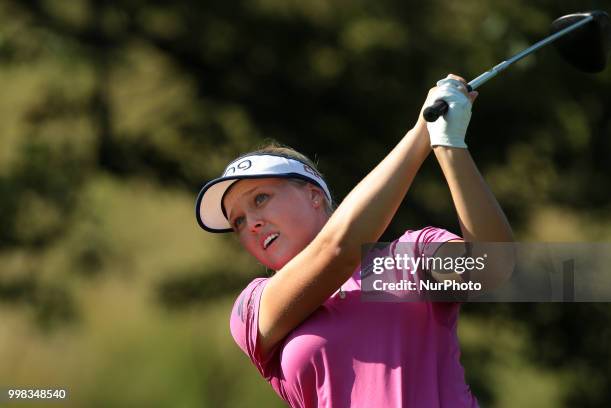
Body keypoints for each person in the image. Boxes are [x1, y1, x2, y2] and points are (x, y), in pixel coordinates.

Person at [195, 74, 513, 407]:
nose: (253, 223)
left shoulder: (409, 257)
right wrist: (420, 134)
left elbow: (492, 268)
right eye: (239, 221)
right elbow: (337, 251)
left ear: (314, 196)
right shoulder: (252, 307)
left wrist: (448, 144)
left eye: (260, 198)